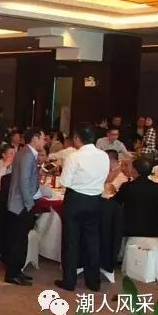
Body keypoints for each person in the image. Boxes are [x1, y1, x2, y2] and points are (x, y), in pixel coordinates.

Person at [55, 124, 109, 292]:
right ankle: (93, 282)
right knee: (92, 241)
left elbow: (64, 181)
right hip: (95, 200)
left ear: (77, 138)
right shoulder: (104, 156)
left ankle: (69, 281)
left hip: (76, 200)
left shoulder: (74, 156)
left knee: (71, 241)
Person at [4, 127, 46, 286]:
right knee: (18, 241)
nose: (44, 141)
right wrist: (29, 205)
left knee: (20, 240)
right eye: (42, 138)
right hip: (21, 204)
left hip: (19, 203)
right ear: (34, 138)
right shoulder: (28, 155)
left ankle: (16, 271)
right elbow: (24, 182)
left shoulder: (25, 152)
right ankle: (12, 274)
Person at [114, 158, 158, 238]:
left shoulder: (127, 187)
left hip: (132, 231)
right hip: (155, 231)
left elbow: (115, 202)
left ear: (135, 170)